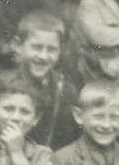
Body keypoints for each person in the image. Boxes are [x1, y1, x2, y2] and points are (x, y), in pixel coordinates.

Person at [9, 10, 78, 150]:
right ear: (18, 45)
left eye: (51, 49)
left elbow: (69, 139)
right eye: (36, 47)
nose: (43, 56)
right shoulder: (0, 86)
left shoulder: (66, 91)